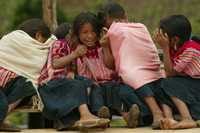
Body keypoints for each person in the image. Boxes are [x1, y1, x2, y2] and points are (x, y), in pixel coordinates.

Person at [71, 11, 151, 128]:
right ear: (78, 34)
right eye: (85, 32)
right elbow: (82, 76)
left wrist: (105, 47)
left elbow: (112, 66)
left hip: (112, 83)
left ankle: (128, 117)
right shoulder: (79, 52)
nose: (90, 36)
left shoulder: (104, 44)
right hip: (95, 86)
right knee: (98, 91)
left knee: (121, 90)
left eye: (93, 32)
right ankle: (102, 117)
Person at [97, 2, 165, 128]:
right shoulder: (141, 26)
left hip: (140, 73)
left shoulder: (113, 31)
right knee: (123, 90)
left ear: (106, 20)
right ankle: (139, 118)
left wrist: (105, 45)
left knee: (129, 73)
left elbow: (112, 65)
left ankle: (157, 113)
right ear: (125, 15)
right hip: (153, 69)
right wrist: (106, 47)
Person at [38, 19, 109, 131]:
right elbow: (56, 63)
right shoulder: (59, 43)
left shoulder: (71, 48)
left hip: (64, 81)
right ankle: (85, 115)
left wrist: (73, 71)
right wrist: (75, 54)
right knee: (78, 84)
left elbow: (70, 69)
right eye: (75, 34)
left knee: (93, 84)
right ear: (68, 36)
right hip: (52, 82)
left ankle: (98, 113)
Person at [0, 18, 52, 131]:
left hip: (12, 82)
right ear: (38, 35)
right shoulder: (11, 39)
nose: (44, 46)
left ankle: (2, 118)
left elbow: (34, 66)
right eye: (44, 40)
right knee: (1, 102)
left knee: (28, 86)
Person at [153, 14, 199, 129]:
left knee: (169, 82)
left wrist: (164, 48)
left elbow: (170, 73)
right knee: (161, 84)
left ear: (175, 39)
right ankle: (168, 119)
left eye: (163, 35)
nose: (160, 38)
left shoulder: (190, 49)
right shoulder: (176, 47)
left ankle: (187, 118)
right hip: (190, 86)